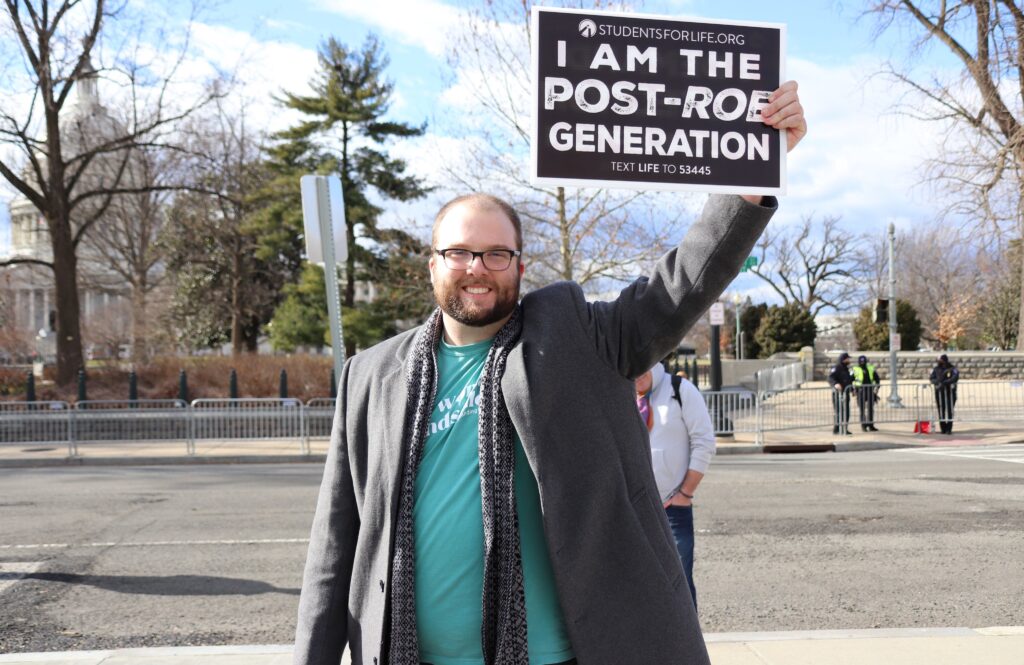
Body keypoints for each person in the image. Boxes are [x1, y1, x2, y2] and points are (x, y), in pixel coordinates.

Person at [293, 80, 805, 665]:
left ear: (519, 263)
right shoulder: (371, 374)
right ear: (433, 264)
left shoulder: (576, 337)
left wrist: (754, 174)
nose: (477, 268)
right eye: (459, 252)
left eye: (496, 254)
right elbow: (336, 546)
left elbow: (679, 287)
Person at [635, 362, 715, 612]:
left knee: (678, 582)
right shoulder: (620, 394)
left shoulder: (680, 390)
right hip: (634, 510)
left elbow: (704, 442)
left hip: (672, 507)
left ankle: (688, 650)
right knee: (639, 585)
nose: (636, 374)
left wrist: (685, 493)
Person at [930, 354, 959, 434]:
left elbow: (955, 377)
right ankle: (943, 428)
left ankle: (949, 429)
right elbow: (932, 378)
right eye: (939, 361)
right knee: (941, 410)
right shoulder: (936, 369)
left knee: (950, 411)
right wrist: (938, 383)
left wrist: (945, 383)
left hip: (950, 393)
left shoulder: (952, 368)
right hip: (939, 393)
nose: (940, 362)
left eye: (941, 360)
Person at [851, 355, 881, 432]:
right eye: (861, 361)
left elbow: (877, 378)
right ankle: (863, 425)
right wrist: (852, 390)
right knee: (862, 409)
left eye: (863, 361)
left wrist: (877, 387)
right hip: (860, 391)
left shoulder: (870, 368)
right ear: (858, 362)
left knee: (871, 409)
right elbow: (850, 380)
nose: (862, 363)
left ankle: (871, 425)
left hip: (870, 390)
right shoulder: (855, 369)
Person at [827, 352, 854, 435]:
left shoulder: (846, 369)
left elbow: (849, 381)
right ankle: (837, 429)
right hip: (838, 394)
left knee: (846, 412)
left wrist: (852, 390)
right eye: (847, 359)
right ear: (843, 359)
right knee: (839, 411)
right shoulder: (837, 368)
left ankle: (844, 428)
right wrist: (835, 384)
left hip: (846, 393)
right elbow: (831, 377)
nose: (849, 360)